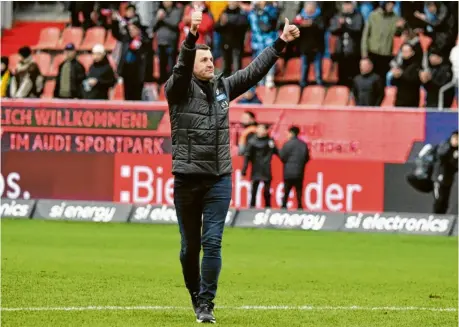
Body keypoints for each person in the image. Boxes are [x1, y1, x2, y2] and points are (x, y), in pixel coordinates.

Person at [165, 7, 299, 323]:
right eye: (205, 60)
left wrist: (280, 42)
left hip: (218, 179)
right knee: (189, 249)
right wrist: (191, 38)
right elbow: (183, 66)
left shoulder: (223, 88)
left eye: (212, 59)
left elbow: (254, 72)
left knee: (212, 242)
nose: (211, 63)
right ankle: (195, 295)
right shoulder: (177, 89)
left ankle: (206, 305)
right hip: (186, 178)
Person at [361, 1, 403, 81]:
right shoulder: (373, 15)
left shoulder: (396, 18)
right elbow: (365, 36)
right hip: (372, 53)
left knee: (382, 81)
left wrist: (399, 28)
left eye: (392, 4)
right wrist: (364, 55)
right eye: (389, 4)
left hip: (386, 55)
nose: (391, 6)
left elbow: (397, 36)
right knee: (370, 80)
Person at [242, 124, 279, 209]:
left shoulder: (270, 141)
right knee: (254, 191)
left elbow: (277, 152)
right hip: (256, 169)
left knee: (266, 191)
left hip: (266, 169)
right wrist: (244, 170)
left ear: (266, 131)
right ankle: (251, 208)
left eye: (262, 129)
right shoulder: (252, 142)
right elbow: (247, 156)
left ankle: (268, 208)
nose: (260, 131)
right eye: (259, 129)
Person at [329, 1, 364, 88]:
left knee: (353, 75)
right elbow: (332, 30)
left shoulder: (358, 16)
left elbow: (358, 30)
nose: (347, 7)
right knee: (342, 76)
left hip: (354, 52)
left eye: (349, 4)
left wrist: (346, 25)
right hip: (341, 52)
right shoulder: (337, 16)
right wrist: (340, 25)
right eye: (345, 4)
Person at [293, 1, 325, 87]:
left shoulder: (319, 18)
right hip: (304, 49)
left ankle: (320, 87)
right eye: (308, 7)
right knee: (304, 70)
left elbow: (321, 29)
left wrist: (311, 24)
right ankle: (302, 88)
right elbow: (294, 28)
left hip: (317, 48)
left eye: (311, 7)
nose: (309, 9)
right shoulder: (300, 18)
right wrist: (302, 25)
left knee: (318, 71)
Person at [214, 1, 249, 77]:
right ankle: (224, 86)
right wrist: (221, 24)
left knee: (237, 69)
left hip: (237, 45)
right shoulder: (224, 11)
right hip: (225, 44)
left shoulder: (241, 12)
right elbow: (216, 27)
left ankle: (236, 86)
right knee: (225, 68)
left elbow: (244, 23)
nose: (232, 2)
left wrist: (228, 20)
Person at [280, 126, 310, 210]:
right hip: (299, 171)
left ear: (291, 133)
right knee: (299, 191)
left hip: (288, 172)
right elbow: (307, 157)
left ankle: (283, 206)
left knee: (286, 191)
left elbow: (282, 156)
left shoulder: (287, 144)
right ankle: (300, 207)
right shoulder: (303, 144)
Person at [153, 1, 182, 84]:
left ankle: (172, 82)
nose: (166, 2)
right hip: (160, 42)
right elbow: (153, 26)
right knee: (161, 63)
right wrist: (158, 18)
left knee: (171, 63)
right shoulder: (159, 11)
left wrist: (163, 18)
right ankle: (162, 82)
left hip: (170, 42)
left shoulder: (176, 10)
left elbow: (175, 23)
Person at [431, 131, 458, 214]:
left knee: (445, 200)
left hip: (448, 179)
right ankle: (436, 217)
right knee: (439, 199)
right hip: (439, 177)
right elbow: (441, 156)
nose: (456, 141)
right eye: (455, 139)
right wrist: (451, 153)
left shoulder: (456, 151)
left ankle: (443, 218)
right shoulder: (445, 146)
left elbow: (455, 166)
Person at [391, 43, 422, 107]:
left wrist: (401, 75)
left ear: (412, 52)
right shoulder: (399, 65)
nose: (405, 53)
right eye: (403, 51)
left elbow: (416, 81)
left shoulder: (417, 65)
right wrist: (395, 76)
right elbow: (393, 83)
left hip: (412, 100)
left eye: (407, 51)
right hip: (399, 100)